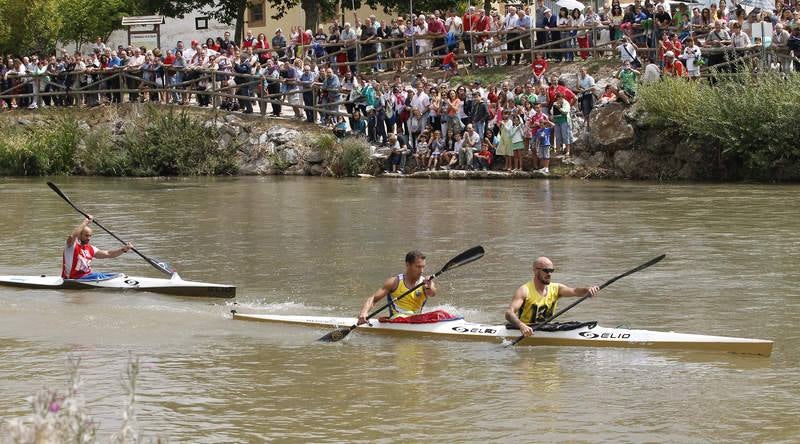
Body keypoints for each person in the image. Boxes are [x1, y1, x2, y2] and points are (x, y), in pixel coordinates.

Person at [505, 256, 599, 336]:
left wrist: (587, 290)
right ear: (535, 271)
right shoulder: (524, 290)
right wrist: (522, 326)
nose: (549, 274)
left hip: (547, 328)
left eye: (551, 271)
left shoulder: (556, 288)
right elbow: (509, 313)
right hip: (527, 330)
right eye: (546, 270)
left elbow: (575, 291)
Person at [357, 250, 437, 324]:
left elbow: (432, 293)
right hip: (398, 319)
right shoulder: (394, 282)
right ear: (407, 265)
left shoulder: (426, 282)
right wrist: (364, 312)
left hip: (417, 319)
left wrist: (428, 286)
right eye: (418, 267)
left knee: (440, 313)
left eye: (423, 267)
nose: (422, 270)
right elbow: (373, 299)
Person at [62, 216, 132, 280]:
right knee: (98, 275)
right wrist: (86, 222)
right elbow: (72, 236)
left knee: (117, 274)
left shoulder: (91, 248)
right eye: (86, 235)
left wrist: (123, 249)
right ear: (79, 235)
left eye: (90, 236)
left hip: (87, 276)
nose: (89, 238)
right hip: (72, 278)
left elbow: (109, 254)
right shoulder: (71, 246)